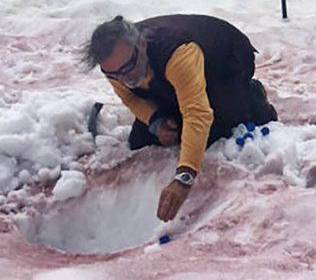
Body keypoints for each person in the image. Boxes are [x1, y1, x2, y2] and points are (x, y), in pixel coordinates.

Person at [82, 14, 277, 221]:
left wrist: (184, 177)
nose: (124, 78)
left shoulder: (178, 53)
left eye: (128, 67)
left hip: (224, 60)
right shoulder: (116, 64)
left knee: (218, 132)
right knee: (142, 140)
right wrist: (156, 121)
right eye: (114, 74)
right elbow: (130, 98)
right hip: (171, 74)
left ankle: (252, 96)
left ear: (141, 44)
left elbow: (197, 114)